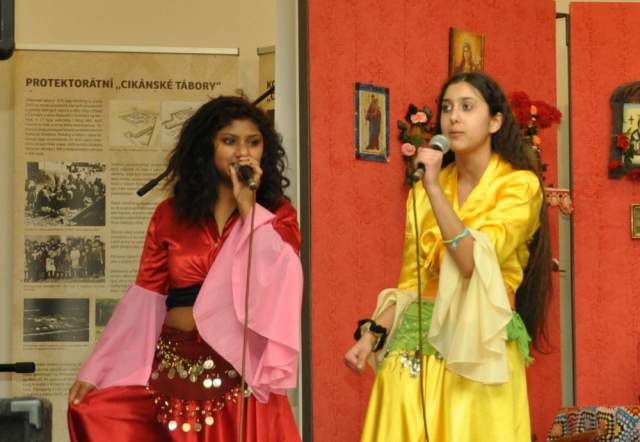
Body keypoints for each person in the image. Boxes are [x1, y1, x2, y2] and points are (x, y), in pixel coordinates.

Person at [68, 96, 303, 442]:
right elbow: (145, 297)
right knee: (93, 410)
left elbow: (282, 277)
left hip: (241, 378)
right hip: (174, 373)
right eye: (230, 141)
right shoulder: (169, 214)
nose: (243, 152)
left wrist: (248, 206)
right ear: (206, 147)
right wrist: (99, 368)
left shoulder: (278, 215)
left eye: (253, 142)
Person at [344, 72, 551, 442]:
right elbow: (412, 282)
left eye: (467, 107)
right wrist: (372, 334)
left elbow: (471, 263)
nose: (454, 117)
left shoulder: (519, 186)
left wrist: (435, 191)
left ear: (495, 122)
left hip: (480, 350)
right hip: (416, 346)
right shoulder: (424, 191)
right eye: (447, 108)